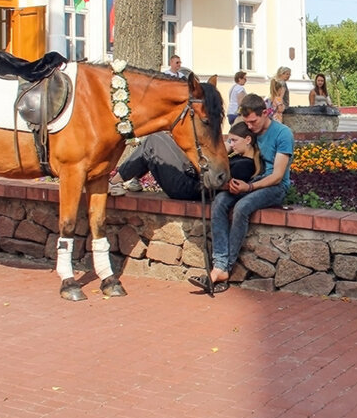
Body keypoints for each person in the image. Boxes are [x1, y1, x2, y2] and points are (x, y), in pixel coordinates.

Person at [192, 93, 293, 293]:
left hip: (275, 187)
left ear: (265, 113)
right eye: (247, 122)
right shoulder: (250, 130)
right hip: (253, 181)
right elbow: (236, 148)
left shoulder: (283, 134)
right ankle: (219, 265)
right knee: (220, 200)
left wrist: (249, 188)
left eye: (253, 121)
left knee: (242, 207)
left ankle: (224, 268)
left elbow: (278, 176)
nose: (250, 126)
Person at [111, 123, 260, 200]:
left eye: (234, 140)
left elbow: (219, 184)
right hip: (190, 178)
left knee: (154, 141)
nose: (231, 144)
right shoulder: (237, 157)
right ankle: (131, 180)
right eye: (230, 140)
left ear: (248, 140)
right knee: (159, 137)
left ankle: (114, 182)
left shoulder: (245, 165)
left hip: (189, 188)